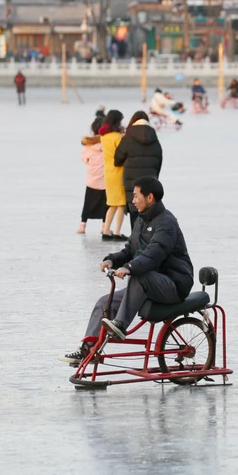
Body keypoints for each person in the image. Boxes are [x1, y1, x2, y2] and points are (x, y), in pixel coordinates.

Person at [61, 177, 194, 364]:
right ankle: (88, 350)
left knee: (141, 276)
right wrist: (112, 260)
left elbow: (154, 254)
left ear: (150, 197)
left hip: (173, 284)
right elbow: (130, 250)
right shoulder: (141, 220)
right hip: (148, 283)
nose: (133, 201)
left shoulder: (167, 222)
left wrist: (129, 268)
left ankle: (121, 325)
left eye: (136, 196)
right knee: (103, 303)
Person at [115, 111, 163, 229]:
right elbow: (159, 159)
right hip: (150, 181)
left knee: (135, 211)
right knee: (149, 213)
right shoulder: (153, 136)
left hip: (132, 182)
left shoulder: (128, 136)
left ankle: (136, 244)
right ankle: (149, 243)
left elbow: (117, 159)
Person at [100, 110, 128, 241]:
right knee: (121, 204)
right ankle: (117, 232)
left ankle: (106, 230)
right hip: (119, 172)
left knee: (112, 204)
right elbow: (122, 154)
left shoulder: (103, 136)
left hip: (108, 172)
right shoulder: (118, 137)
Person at [78, 118, 108, 234]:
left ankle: (82, 226)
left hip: (92, 178)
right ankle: (104, 226)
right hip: (104, 179)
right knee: (105, 204)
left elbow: (84, 158)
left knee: (87, 203)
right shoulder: (106, 142)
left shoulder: (88, 143)